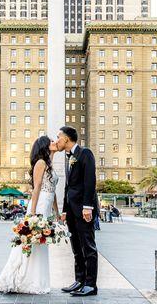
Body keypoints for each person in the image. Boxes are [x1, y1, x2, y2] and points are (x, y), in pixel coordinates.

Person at [0, 135, 59, 294]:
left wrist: (57, 212)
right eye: (50, 141)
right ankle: (17, 280)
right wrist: (33, 214)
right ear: (44, 146)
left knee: (40, 244)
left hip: (47, 208)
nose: (54, 142)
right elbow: (36, 189)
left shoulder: (49, 164)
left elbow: (53, 191)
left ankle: (35, 281)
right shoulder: (40, 163)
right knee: (30, 243)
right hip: (39, 206)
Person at [58, 126, 99, 297]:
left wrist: (88, 207)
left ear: (67, 139)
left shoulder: (85, 153)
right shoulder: (69, 158)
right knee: (76, 246)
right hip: (72, 211)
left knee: (88, 246)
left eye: (59, 137)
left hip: (84, 210)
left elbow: (90, 181)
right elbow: (69, 187)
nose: (57, 140)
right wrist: (65, 210)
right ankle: (80, 280)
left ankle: (90, 284)